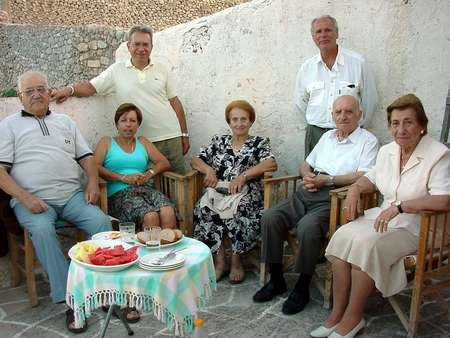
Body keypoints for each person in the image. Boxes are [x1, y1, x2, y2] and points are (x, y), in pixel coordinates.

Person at [311, 94, 450, 338]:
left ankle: (353, 318)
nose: (401, 129)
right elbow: (370, 178)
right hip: (385, 219)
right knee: (343, 236)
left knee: (366, 244)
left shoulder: (439, 155)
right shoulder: (388, 151)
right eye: (395, 123)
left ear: (422, 125)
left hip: (421, 226)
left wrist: (401, 207)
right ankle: (337, 314)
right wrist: (355, 188)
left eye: (408, 122)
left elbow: (443, 199)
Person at [0, 70, 111, 333]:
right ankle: (71, 300)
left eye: (41, 89)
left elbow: (86, 158)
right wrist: (25, 198)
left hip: (72, 196)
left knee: (101, 222)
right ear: (20, 97)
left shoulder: (65, 122)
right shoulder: (8, 126)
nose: (37, 94)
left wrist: (93, 182)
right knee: (42, 230)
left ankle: (106, 290)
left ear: (50, 93)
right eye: (30, 91)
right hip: (33, 200)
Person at [253, 95, 378, 316]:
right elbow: (306, 163)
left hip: (335, 197)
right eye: (338, 112)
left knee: (307, 227)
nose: (343, 116)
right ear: (332, 115)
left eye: (349, 111)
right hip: (309, 190)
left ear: (359, 114)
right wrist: (307, 176)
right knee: (270, 216)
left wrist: (328, 180)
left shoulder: (368, 141)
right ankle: (277, 279)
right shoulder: (327, 137)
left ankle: (302, 286)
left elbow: (365, 174)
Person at [51, 25, 190, 174]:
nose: (141, 48)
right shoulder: (116, 70)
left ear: (151, 47)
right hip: (143, 142)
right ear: (129, 46)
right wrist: (69, 90)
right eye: (137, 44)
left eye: (145, 44)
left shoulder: (162, 69)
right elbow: (91, 87)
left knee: (182, 182)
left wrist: (184, 134)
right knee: (153, 185)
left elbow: (174, 102)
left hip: (171, 136)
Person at [192, 100, 278, 284]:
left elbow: (270, 163)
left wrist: (243, 176)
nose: (239, 123)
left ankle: (237, 261)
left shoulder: (259, 143)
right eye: (235, 119)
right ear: (229, 122)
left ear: (251, 121)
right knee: (204, 208)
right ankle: (221, 261)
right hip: (221, 191)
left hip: (247, 193)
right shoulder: (219, 141)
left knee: (239, 210)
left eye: (244, 119)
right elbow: (196, 160)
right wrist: (208, 170)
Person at [294, 14, 378, 157]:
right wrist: (312, 125)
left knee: (346, 177)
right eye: (318, 32)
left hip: (349, 134)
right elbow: (299, 103)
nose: (323, 35)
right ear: (313, 37)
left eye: (328, 30)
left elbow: (370, 101)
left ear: (337, 33)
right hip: (316, 135)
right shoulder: (306, 68)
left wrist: (355, 128)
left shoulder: (358, 63)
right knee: (313, 176)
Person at [94, 102, 177, 230]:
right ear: (117, 124)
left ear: (138, 125)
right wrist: (123, 178)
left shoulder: (143, 142)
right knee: (150, 216)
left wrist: (148, 174)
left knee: (168, 212)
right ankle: (148, 249)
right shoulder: (107, 142)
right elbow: (94, 166)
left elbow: (164, 163)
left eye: (133, 121)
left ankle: (168, 248)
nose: (128, 124)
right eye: (123, 120)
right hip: (119, 194)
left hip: (145, 189)